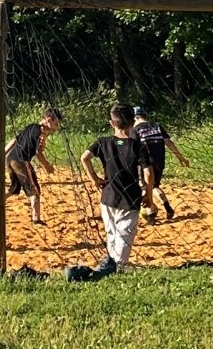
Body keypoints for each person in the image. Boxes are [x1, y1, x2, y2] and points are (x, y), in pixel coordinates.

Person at [81, 103, 153, 273]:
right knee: (125, 234)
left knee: (111, 233)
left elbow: (84, 157)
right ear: (132, 123)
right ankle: (117, 265)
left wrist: (94, 179)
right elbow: (148, 172)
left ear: (112, 123)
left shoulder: (103, 142)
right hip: (130, 197)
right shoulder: (138, 146)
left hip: (108, 195)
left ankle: (111, 263)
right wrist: (149, 195)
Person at [2, 107, 63, 225]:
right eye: (56, 124)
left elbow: (15, 140)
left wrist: (3, 153)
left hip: (10, 158)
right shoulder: (42, 132)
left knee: (15, 188)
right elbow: (38, 153)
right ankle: (36, 219)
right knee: (35, 190)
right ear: (49, 120)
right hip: (21, 160)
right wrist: (47, 166)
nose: (56, 128)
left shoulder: (31, 126)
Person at [131, 106, 190, 220]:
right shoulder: (157, 126)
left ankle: (150, 213)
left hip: (145, 163)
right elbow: (169, 142)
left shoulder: (135, 130)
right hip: (159, 162)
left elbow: (132, 148)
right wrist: (180, 157)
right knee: (154, 186)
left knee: (144, 187)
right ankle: (167, 206)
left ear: (135, 118)